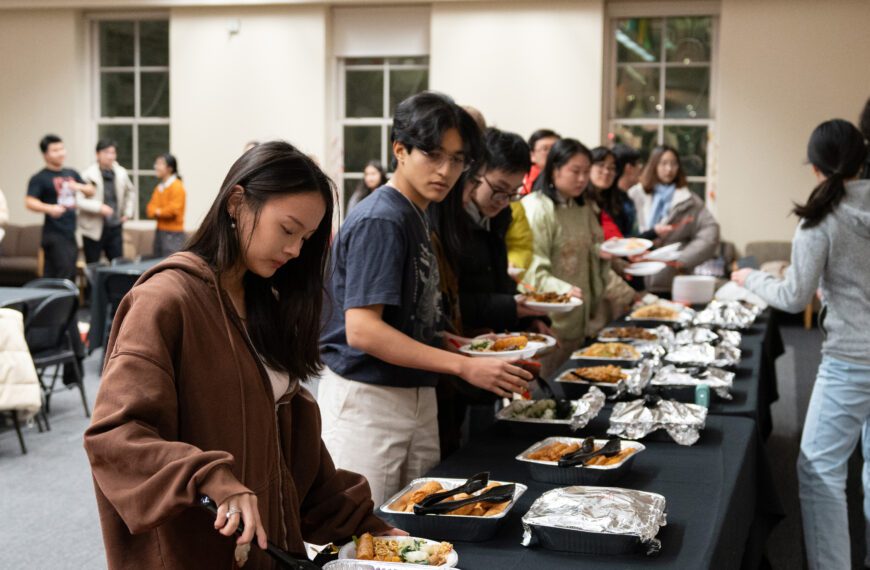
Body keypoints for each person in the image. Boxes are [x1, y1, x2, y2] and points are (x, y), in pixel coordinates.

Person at [83, 141, 399, 569]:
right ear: (236, 202)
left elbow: (295, 449)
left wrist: (364, 525)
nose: (295, 251)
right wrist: (210, 475)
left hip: (264, 549)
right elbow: (115, 435)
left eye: (306, 239)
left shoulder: (266, 299)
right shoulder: (165, 299)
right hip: (191, 552)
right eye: (288, 230)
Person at [318, 92, 532, 504]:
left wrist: (461, 346)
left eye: (457, 159)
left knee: (416, 529)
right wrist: (462, 365)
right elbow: (362, 331)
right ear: (400, 149)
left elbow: (410, 320)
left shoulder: (417, 212)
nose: (446, 170)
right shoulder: (382, 216)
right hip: (369, 400)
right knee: (359, 544)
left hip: (413, 394)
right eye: (433, 155)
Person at [731, 119, 870, 570]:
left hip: (850, 360)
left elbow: (792, 296)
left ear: (814, 167)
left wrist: (748, 277)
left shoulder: (820, 221)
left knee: (819, 472)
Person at [523, 138, 635, 376]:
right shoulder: (537, 208)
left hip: (581, 317)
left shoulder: (583, 208)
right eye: (576, 171)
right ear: (555, 169)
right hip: (548, 322)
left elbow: (592, 246)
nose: (583, 179)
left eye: (586, 172)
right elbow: (532, 268)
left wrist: (601, 252)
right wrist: (563, 289)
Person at [459, 128, 548, 334]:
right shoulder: (451, 219)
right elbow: (451, 300)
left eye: (513, 192)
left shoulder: (501, 214)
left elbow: (499, 279)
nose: (503, 200)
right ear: (476, 172)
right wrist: (510, 307)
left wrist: (529, 320)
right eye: (499, 188)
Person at [627, 145, 719, 293]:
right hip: (634, 275)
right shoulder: (635, 195)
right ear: (654, 165)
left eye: (673, 163)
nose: (669, 169)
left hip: (670, 279)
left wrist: (682, 259)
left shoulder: (689, 201)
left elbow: (710, 234)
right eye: (663, 163)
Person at [25, 134, 95, 280]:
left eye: (62, 148)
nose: (61, 153)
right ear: (45, 154)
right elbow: (29, 202)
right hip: (54, 233)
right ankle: (62, 302)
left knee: (64, 273)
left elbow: (91, 191)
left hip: (70, 232)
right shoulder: (40, 178)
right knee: (64, 274)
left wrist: (78, 186)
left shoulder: (71, 173)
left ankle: (58, 302)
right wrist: (50, 208)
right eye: (55, 150)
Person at [79, 138, 136, 263]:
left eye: (113, 153)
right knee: (93, 266)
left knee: (118, 264)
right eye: (106, 152)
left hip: (115, 226)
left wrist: (127, 212)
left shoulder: (121, 172)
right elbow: (78, 201)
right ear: (97, 154)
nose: (110, 156)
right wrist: (99, 207)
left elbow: (130, 192)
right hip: (93, 227)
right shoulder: (87, 174)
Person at [146, 153, 186, 257]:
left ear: (170, 168)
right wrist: (160, 211)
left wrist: (158, 211)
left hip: (173, 234)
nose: (156, 167)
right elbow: (149, 210)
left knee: (171, 266)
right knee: (157, 264)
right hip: (160, 232)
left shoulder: (177, 186)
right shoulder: (159, 188)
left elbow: (173, 211)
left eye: (160, 164)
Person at [522, 129, 559, 195]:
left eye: (555, 148)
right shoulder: (523, 181)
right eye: (545, 149)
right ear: (532, 156)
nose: (552, 153)